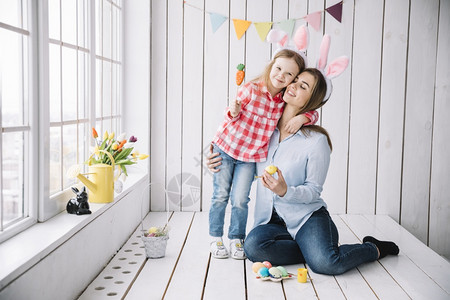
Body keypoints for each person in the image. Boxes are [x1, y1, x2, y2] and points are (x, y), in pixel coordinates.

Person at [207, 68, 399, 274]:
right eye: (295, 80)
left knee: (327, 264)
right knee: (252, 247)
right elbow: (244, 167)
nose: (293, 86)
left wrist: (285, 191)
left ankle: (373, 248)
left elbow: (313, 190)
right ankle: (313, 249)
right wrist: (219, 161)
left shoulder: (316, 141)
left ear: (312, 100)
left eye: (303, 86)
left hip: (307, 217)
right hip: (271, 222)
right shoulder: (263, 132)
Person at [209, 49, 319, 260]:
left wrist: (303, 119)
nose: (281, 76)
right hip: (226, 149)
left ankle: (236, 238)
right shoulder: (251, 89)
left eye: (289, 75)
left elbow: (313, 111)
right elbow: (230, 116)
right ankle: (216, 237)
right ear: (271, 66)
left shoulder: (283, 102)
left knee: (240, 199)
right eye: (278, 69)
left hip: (249, 157)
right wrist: (233, 111)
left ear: (293, 80)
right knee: (220, 195)